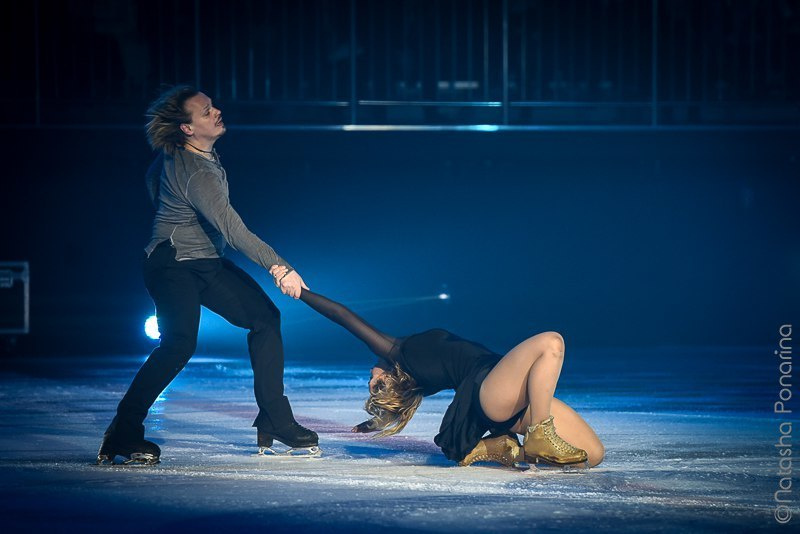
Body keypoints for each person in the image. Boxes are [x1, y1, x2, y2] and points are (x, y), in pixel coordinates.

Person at [97, 86, 318, 465]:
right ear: (187, 128)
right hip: (171, 264)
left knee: (264, 319)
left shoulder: (184, 155)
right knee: (178, 345)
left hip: (204, 262)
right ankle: (123, 431)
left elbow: (154, 181)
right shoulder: (196, 170)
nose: (216, 112)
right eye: (205, 111)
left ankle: (275, 419)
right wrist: (280, 268)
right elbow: (234, 230)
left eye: (212, 106)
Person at [273, 275, 604, 470]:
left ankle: (498, 446)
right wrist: (301, 292)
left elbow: (386, 410)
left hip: (506, 396)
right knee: (551, 343)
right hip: (488, 388)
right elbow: (343, 316)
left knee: (592, 456)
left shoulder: (417, 381)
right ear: (388, 374)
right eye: (376, 382)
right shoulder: (396, 352)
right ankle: (538, 434)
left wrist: (371, 422)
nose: (372, 376)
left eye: (371, 381)